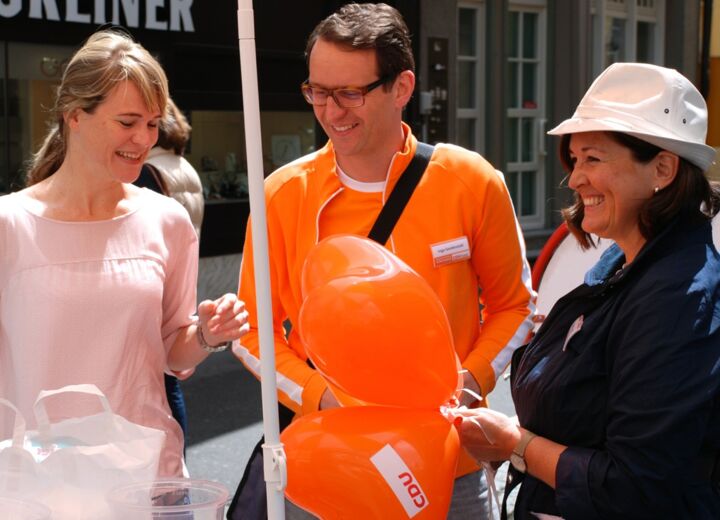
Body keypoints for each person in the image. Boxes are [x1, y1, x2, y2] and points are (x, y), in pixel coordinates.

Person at [231, 3, 534, 518]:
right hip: (329, 468)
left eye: (350, 92)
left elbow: (516, 306)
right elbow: (252, 330)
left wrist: (470, 381)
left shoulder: (472, 180)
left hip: (448, 466)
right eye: (317, 91)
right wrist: (320, 396)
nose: (331, 111)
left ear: (402, 87)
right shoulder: (281, 194)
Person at [454, 62, 720, 519]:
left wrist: (515, 444)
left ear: (663, 167)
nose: (575, 178)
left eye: (593, 159)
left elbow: (634, 486)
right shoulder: (623, 265)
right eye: (574, 159)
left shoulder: (677, 298)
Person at [0, 29, 249, 479]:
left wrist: (208, 335)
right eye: (128, 122)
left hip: (145, 471)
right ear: (74, 115)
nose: (143, 139)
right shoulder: (10, 226)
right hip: (38, 483)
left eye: (152, 124)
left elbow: (173, 353)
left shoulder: (166, 221)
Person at [134, 97, 205, 438]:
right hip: (179, 278)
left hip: (155, 283)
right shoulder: (184, 167)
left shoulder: (147, 172)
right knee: (170, 380)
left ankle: (174, 455)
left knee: (161, 380)